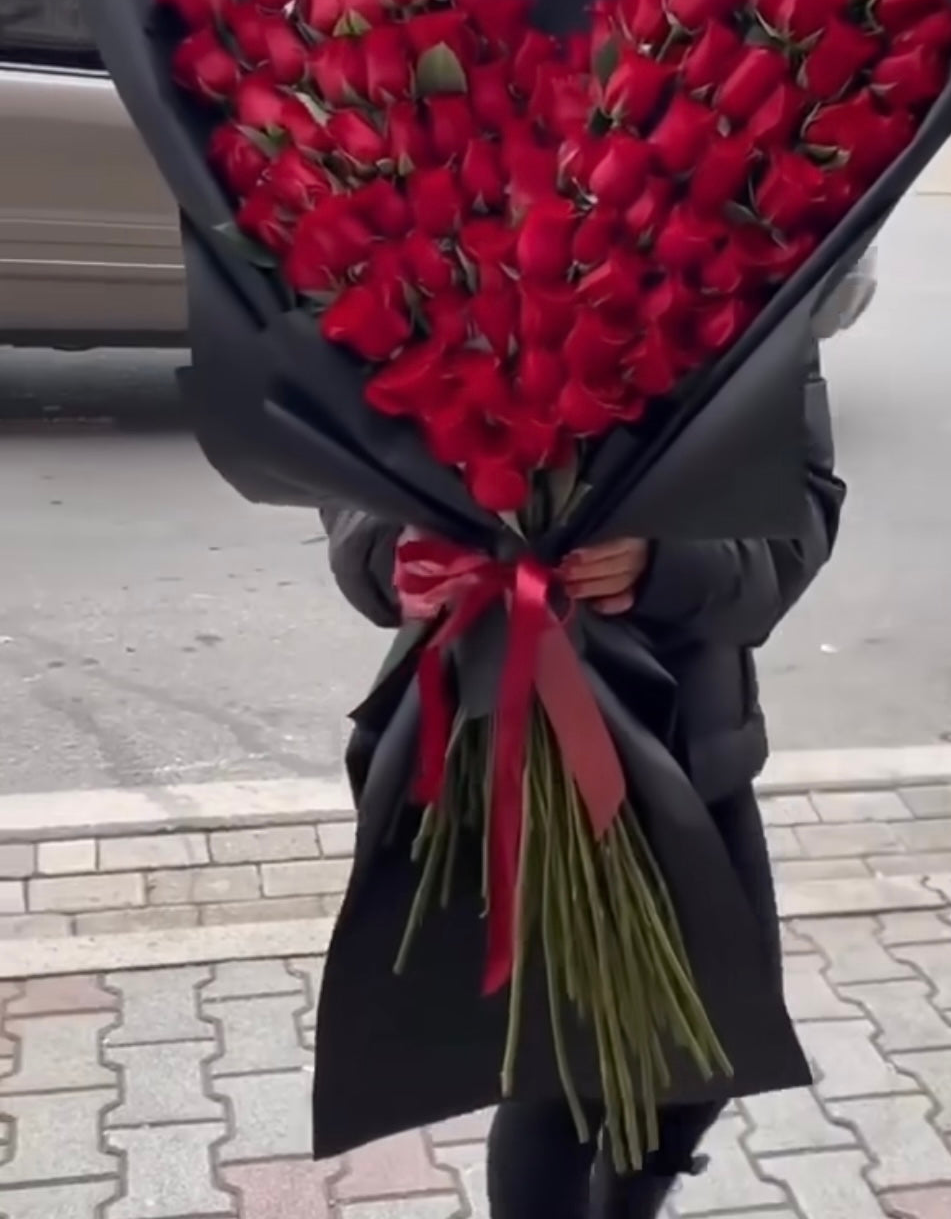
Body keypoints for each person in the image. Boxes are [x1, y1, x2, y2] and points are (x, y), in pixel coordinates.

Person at [321, 340, 844, 1219]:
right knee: (555, 1076)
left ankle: (632, 1198)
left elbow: (799, 514)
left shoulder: (750, 288)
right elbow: (349, 481)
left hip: (687, 740)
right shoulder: (433, 256)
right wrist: (399, 554)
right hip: (500, 735)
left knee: (700, 1055)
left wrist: (667, 563)